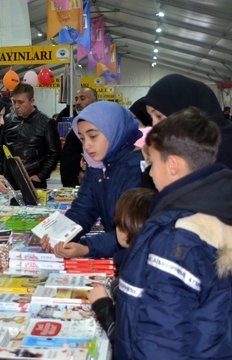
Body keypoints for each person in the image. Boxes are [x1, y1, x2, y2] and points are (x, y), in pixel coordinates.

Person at [115, 107, 232, 359]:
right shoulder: (216, 212)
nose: (149, 171)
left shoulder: (176, 238)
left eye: (152, 162)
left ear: (173, 165)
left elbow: (161, 341)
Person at [40, 101, 143, 259]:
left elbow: (132, 232)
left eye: (93, 136)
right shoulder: (97, 165)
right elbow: (84, 208)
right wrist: (60, 236)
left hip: (135, 257)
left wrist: (86, 248)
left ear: (113, 130)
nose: (87, 145)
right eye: (82, 138)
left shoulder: (138, 168)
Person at [86, 187, 156, 344]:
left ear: (124, 231)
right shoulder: (142, 258)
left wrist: (102, 303)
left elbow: (124, 336)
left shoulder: (135, 269)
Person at [141, 74, 232, 182]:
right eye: (151, 118)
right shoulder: (187, 149)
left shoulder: (216, 159)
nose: (154, 125)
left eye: (159, 116)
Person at [0, 83, 61, 190]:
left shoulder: (46, 123)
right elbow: (1, 148)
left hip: (33, 180)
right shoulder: (8, 119)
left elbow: (55, 153)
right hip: (8, 180)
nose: (16, 106)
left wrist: (41, 175)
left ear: (32, 101)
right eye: (14, 101)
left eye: (21, 102)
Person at [60, 87, 97, 187]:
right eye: (76, 99)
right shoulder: (77, 125)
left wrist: (86, 170)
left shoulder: (99, 126)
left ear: (94, 102)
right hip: (71, 183)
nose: (78, 102)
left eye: (82, 98)